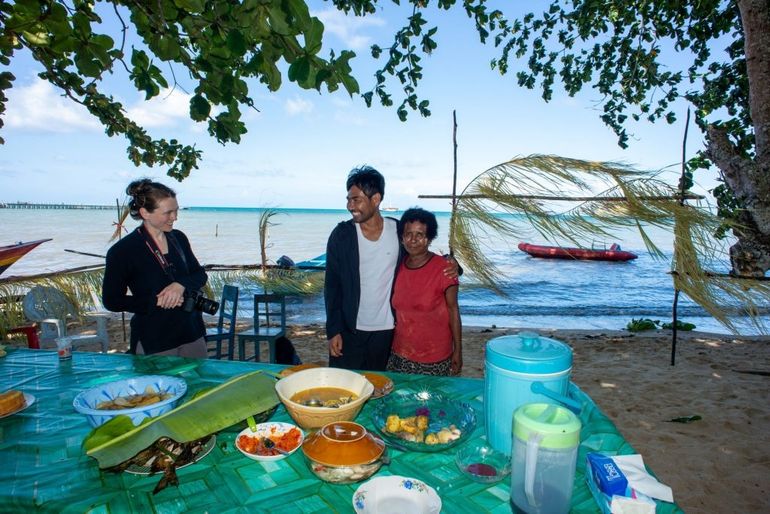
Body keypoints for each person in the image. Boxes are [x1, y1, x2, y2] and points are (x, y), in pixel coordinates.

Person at [324, 166, 458, 371]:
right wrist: (333, 330)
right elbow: (332, 287)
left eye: (356, 199)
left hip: (386, 332)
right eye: (349, 199)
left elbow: (422, 257)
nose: (350, 206)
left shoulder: (397, 231)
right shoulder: (341, 236)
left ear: (375, 199)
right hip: (348, 330)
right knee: (345, 386)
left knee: (378, 387)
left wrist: (454, 265)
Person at [102, 179, 209, 357]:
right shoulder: (122, 251)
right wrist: (154, 302)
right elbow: (111, 301)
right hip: (155, 339)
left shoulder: (179, 238)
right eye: (168, 213)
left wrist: (180, 285)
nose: (175, 217)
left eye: (176, 211)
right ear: (145, 213)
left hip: (192, 333)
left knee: (200, 384)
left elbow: (200, 275)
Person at [387, 208, 462, 376]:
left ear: (429, 238)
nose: (413, 240)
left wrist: (458, 350)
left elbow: (453, 310)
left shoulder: (444, 269)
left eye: (419, 235)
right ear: (402, 237)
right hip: (399, 354)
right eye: (408, 234)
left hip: (434, 358)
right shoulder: (398, 266)